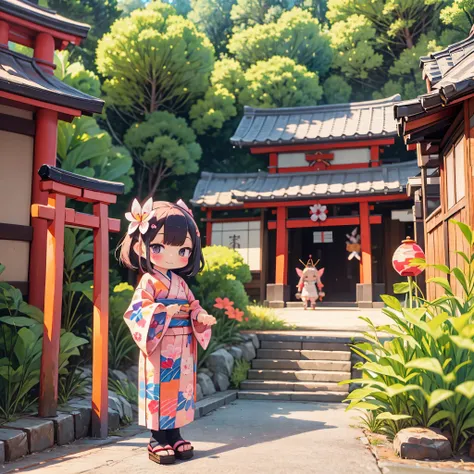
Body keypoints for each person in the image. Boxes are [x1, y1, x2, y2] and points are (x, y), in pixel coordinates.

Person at [119, 198, 216, 464]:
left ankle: (175, 434)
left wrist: (200, 316)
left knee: (182, 391)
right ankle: (156, 439)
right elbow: (136, 311)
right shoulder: (149, 281)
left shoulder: (181, 284)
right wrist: (162, 312)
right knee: (159, 390)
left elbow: (192, 306)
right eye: (160, 246)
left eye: (183, 249)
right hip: (159, 345)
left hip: (183, 345)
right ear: (141, 245)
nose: (174, 255)